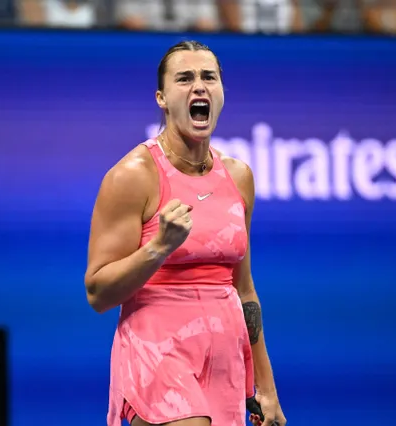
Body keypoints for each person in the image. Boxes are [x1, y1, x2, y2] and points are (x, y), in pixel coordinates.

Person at [84, 40, 286, 426]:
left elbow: (243, 290)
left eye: (209, 77)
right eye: (185, 78)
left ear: (222, 93)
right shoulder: (132, 176)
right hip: (157, 346)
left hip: (225, 349)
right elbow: (97, 291)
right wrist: (158, 247)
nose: (199, 87)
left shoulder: (239, 177)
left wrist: (265, 386)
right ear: (161, 98)